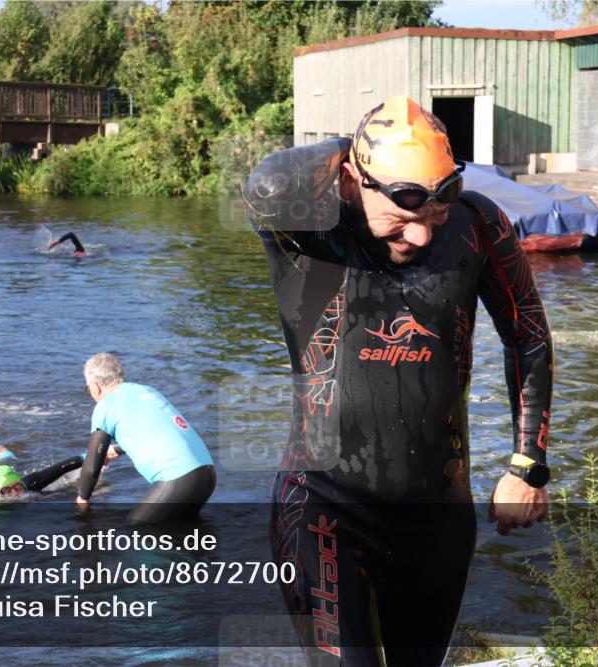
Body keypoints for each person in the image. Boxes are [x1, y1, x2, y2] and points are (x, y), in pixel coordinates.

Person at [243, 96, 553, 665]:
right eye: (403, 214)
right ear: (349, 179)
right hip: (323, 509)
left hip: (437, 518)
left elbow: (527, 333)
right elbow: (264, 182)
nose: (421, 237)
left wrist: (526, 464)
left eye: (435, 212)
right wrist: (359, 148)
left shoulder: (479, 224)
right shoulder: (306, 229)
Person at [75, 353, 216, 524]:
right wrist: (118, 449)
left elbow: (91, 467)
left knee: (137, 532)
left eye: (87, 388)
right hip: (207, 474)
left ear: (95, 387)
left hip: (179, 479)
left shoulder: (105, 405)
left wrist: (82, 501)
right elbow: (159, 430)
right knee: (184, 534)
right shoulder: (147, 390)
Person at [0, 444, 119, 498]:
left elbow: (62, 467)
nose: (15, 493)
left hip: (15, 466)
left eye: (17, 486)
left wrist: (95, 456)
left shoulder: (31, 483)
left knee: (1, 451)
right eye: (6, 491)